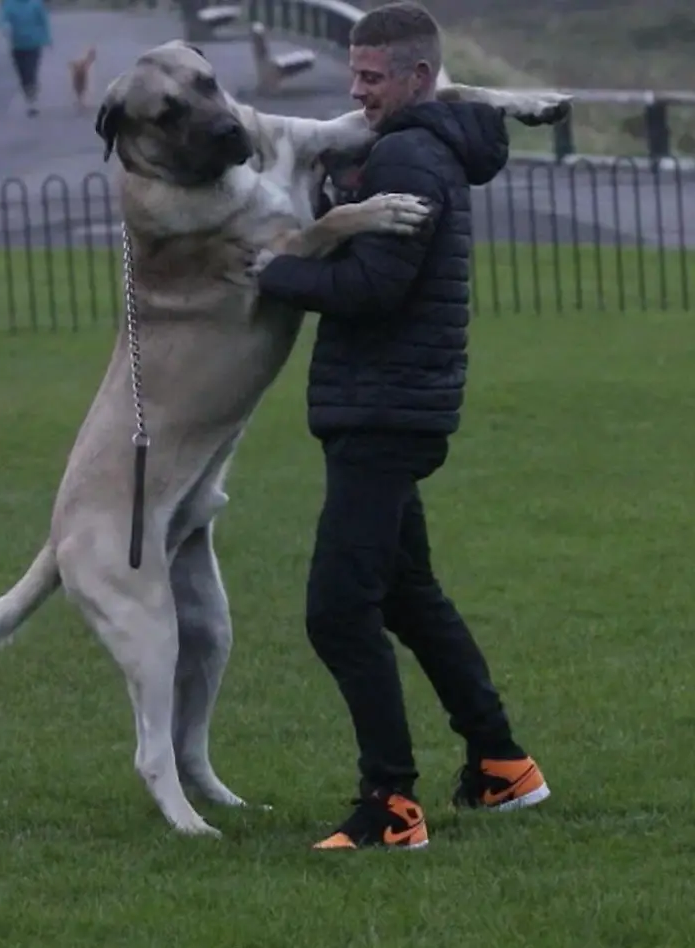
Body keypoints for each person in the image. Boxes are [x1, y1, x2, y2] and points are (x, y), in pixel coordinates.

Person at [251, 0, 549, 852]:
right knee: (409, 597)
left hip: (385, 411)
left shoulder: (412, 155)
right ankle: (501, 766)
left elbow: (373, 289)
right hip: (388, 404)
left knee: (338, 612)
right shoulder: (416, 147)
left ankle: (391, 806)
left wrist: (275, 274)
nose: (357, 90)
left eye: (372, 77)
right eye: (353, 74)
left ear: (420, 78)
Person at [0, 0, 51, 117]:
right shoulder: (9, 3)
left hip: (34, 44)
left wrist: (47, 38)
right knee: (22, 75)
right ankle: (29, 91)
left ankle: (32, 100)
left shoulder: (36, 4)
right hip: (17, 45)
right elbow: (2, 18)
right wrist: (4, 26)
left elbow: (43, 21)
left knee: (30, 71)